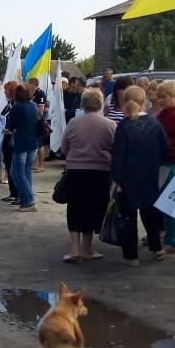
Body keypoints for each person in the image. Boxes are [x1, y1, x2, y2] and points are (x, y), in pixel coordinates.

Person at [110, 87, 169, 266]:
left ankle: (131, 256)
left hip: (127, 178)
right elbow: (165, 149)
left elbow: (118, 155)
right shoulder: (154, 123)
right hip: (149, 175)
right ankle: (157, 248)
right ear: (144, 101)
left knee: (128, 218)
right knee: (151, 214)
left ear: (124, 101)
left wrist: (116, 179)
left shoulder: (124, 125)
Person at [61, 88, 116, 262]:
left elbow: (64, 147)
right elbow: (116, 149)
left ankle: (74, 250)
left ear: (82, 103)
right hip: (100, 172)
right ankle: (87, 249)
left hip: (76, 171)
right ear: (101, 103)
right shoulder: (110, 125)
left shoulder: (73, 123)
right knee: (93, 208)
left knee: (75, 208)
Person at [151, 80, 175, 255]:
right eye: (159, 97)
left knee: (169, 204)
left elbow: (174, 144)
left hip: (171, 164)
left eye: (164, 97)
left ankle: (173, 240)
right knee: (168, 203)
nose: (160, 100)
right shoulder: (170, 114)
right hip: (168, 163)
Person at [6, 85, 40, 211]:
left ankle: (29, 201)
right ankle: (24, 198)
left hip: (21, 144)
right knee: (26, 172)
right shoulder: (34, 105)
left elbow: (10, 126)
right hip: (34, 143)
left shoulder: (16, 108)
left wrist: (8, 130)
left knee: (16, 172)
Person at [29, 77, 48, 172]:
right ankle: (37, 164)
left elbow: (41, 111)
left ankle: (41, 165)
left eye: (29, 84)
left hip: (38, 122)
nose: (28, 86)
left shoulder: (40, 93)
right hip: (32, 122)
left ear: (33, 84)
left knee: (40, 144)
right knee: (37, 144)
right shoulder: (33, 93)